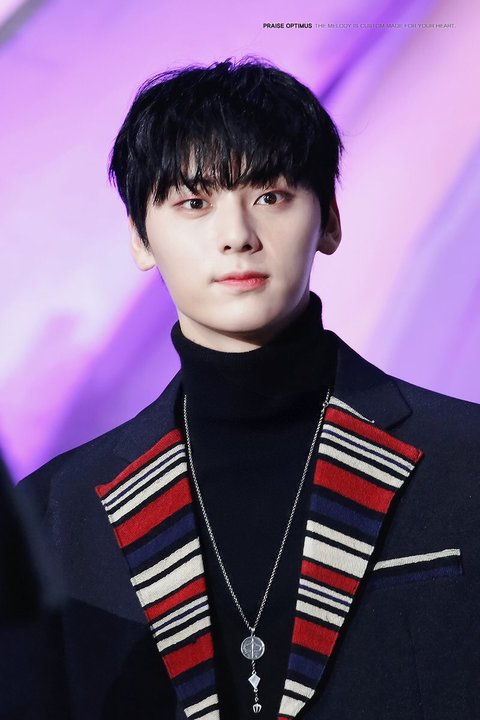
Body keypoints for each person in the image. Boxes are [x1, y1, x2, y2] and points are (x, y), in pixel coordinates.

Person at [8, 57, 480, 720]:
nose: (236, 237)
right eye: (194, 203)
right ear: (140, 238)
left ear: (330, 219)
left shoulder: (465, 460)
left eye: (270, 196)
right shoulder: (59, 513)